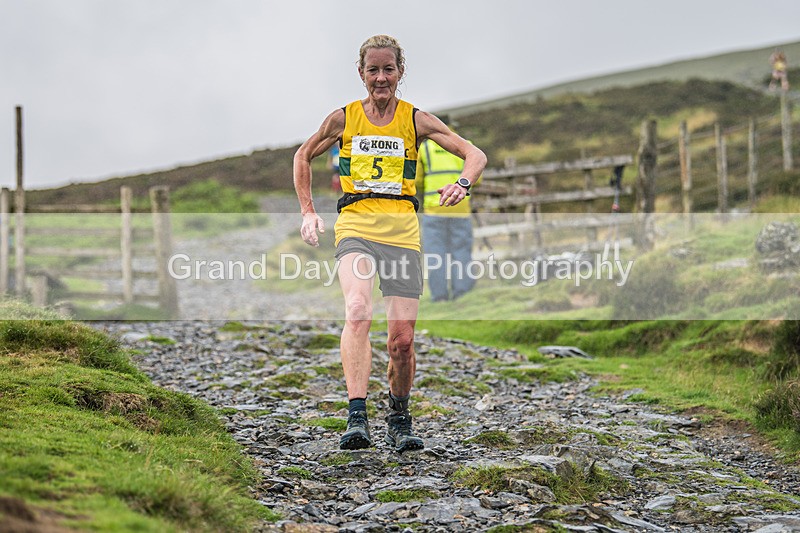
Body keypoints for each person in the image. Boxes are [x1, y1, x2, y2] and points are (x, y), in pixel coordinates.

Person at [293, 34, 487, 452]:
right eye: (372, 70)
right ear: (360, 73)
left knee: (401, 340)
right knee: (358, 310)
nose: (381, 78)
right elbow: (302, 155)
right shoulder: (343, 118)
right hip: (356, 225)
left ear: (400, 72)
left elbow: (475, 154)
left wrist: (463, 183)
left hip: (402, 231)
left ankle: (399, 417)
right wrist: (308, 211)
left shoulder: (415, 119)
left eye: (388, 69)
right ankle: (356, 416)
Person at [416, 117, 479, 302]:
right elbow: (477, 177)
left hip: (434, 208)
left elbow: (417, 180)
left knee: (436, 254)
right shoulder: (466, 145)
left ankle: (440, 296)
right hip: (460, 208)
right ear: (452, 126)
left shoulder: (426, 149)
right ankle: (462, 293)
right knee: (461, 251)